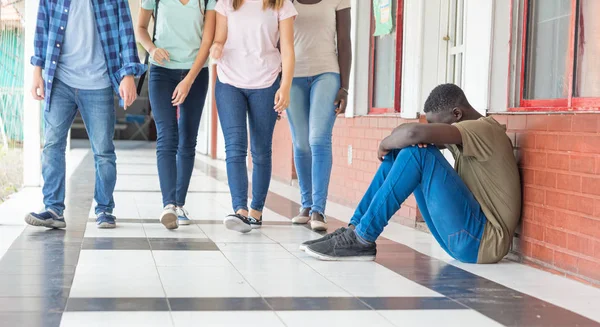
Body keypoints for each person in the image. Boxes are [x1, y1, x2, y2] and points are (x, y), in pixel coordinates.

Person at [302, 84, 522, 264]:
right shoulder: (465, 134)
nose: (434, 130)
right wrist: (395, 143)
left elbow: (413, 132)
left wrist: (383, 144)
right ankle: (354, 230)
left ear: (456, 114)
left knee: (418, 152)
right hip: (465, 239)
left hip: (482, 241)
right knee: (405, 149)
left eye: (436, 125)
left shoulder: (484, 131)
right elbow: (407, 134)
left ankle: (362, 237)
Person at [25, 0, 145, 229]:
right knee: (52, 145)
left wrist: (128, 73)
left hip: (98, 82)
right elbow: (42, 28)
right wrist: (37, 71)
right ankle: (53, 209)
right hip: (59, 80)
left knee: (103, 151)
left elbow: (125, 32)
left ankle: (105, 209)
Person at [210, 0, 297, 233]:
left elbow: (287, 48)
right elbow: (219, 38)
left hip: (266, 82)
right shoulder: (227, 3)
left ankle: (256, 211)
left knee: (260, 150)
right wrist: (216, 47)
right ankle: (240, 210)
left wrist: (285, 86)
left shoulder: (280, 4)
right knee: (235, 147)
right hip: (229, 81)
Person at [136, 0, 216, 230]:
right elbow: (140, 28)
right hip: (161, 73)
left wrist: (188, 80)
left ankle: (179, 204)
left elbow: (207, 41)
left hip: (196, 73)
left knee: (188, 138)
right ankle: (169, 205)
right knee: (167, 136)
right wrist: (152, 49)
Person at [287, 0, 352, 232]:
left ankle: (318, 209)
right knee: (301, 143)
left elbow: (344, 41)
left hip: (327, 73)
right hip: (292, 76)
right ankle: (306, 205)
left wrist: (344, 87)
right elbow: (275, 41)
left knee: (318, 139)